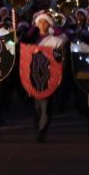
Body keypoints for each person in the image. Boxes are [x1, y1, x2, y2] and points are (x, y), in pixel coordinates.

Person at [24, 11, 65, 142]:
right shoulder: (32, 39)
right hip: (34, 75)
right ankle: (38, 125)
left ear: (49, 24)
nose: (42, 24)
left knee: (46, 104)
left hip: (48, 75)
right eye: (40, 22)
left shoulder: (56, 41)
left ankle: (43, 129)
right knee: (37, 105)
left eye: (45, 21)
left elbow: (59, 59)